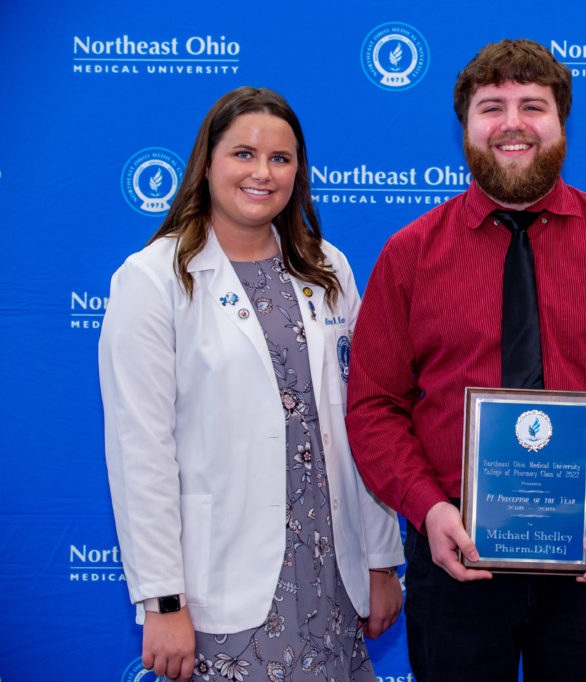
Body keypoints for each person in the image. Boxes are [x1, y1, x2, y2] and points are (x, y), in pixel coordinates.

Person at [345, 39, 586, 682]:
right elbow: (373, 407)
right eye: (491, 107)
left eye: (533, 106)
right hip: (454, 558)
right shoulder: (409, 255)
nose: (512, 124)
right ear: (465, 127)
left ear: (561, 124)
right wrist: (428, 508)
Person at [98, 86, 403, 682]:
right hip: (225, 589)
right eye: (243, 154)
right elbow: (141, 452)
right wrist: (163, 601)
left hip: (332, 575)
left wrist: (383, 559)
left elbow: (363, 421)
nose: (262, 173)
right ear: (207, 162)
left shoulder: (327, 267)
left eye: (281, 159)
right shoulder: (152, 280)